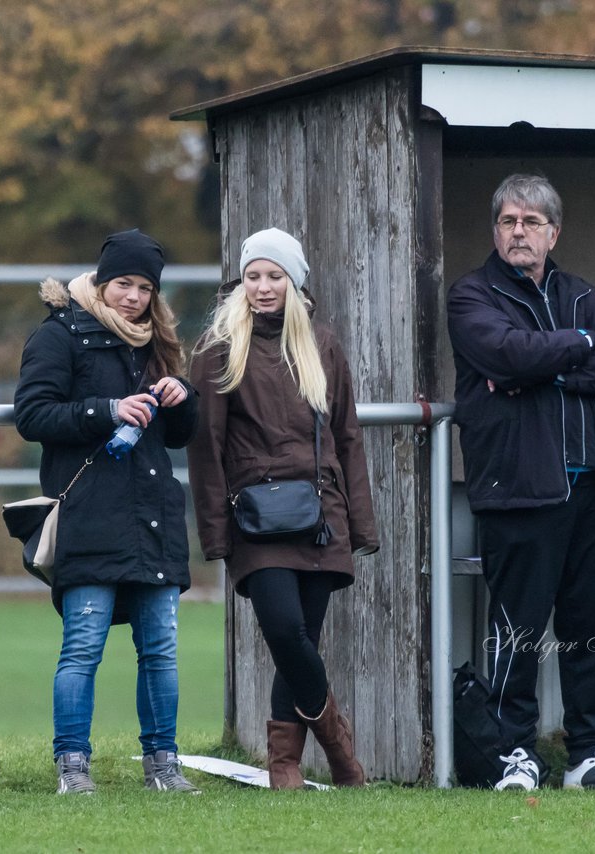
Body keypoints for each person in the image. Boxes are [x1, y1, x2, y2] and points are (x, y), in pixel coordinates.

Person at [447, 173, 595, 791]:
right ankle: (516, 756)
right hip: (519, 488)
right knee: (518, 630)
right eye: (508, 221)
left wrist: (551, 368)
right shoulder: (471, 295)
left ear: (553, 232)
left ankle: (588, 755)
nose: (519, 232)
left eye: (532, 223)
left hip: (591, 487)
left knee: (590, 627)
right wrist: (573, 349)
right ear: (495, 230)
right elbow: (505, 353)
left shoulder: (582, 295)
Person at [186, 227, 378, 789]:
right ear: (240, 282)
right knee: (287, 632)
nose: (263, 287)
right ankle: (341, 752)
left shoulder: (323, 345)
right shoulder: (218, 350)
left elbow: (348, 438)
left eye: (274, 277)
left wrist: (360, 523)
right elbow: (206, 450)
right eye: (253, 276)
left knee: (301, 646)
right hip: (256, 520)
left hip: (321, 517)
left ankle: (285, 766)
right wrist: (216, 534)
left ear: (294, 283)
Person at [13, 229, 202, 795]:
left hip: (153, 517)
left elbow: (177, 438)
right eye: (124, 283)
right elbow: (33, 416)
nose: (134, 297)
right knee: (83, 646)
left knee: (161, 651)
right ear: (101, 281)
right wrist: (106, 408)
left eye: (145, 287)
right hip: (88, 515)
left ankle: (163, 766)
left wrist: (181, 396)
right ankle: (73, 766)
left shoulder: (158, 343)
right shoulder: (59, 334)